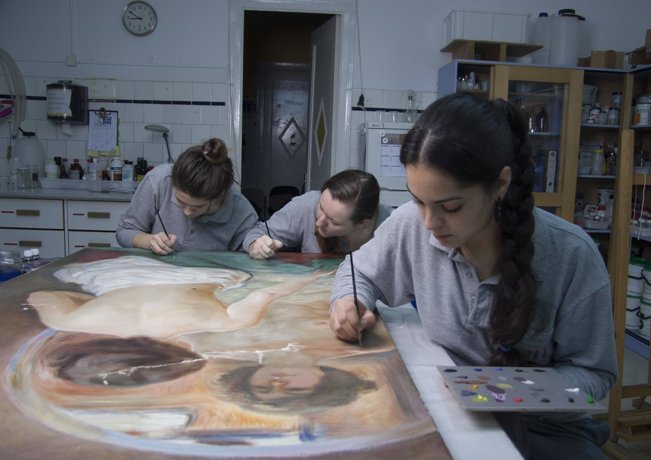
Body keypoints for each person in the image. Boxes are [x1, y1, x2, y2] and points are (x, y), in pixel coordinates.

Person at [328, 92, 617, 459]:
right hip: (448, 416)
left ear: (500, 184)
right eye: (418, 200)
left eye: (451, 206)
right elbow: (357, 272)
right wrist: (349, 301)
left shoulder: (571, 255)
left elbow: (594, 378)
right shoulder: (412, 226)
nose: (430, 223)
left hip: (547, 431)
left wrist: (496, 391)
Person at [116, 138, 258, 254]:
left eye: (198, 206)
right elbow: (124, 231)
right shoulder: (158, 181)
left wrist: (257, 247)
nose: (187, 212)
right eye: (180, 201)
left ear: (221, 195)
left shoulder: (242, 211)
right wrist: (148, 241)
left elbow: (248, 257)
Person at [244, 169, 392, 259]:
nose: (319, 222)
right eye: (321, 207)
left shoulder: (392, 227)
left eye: (333, 222)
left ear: (362, 222)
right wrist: (255, 245)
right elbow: (258, 231)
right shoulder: (306, 205)